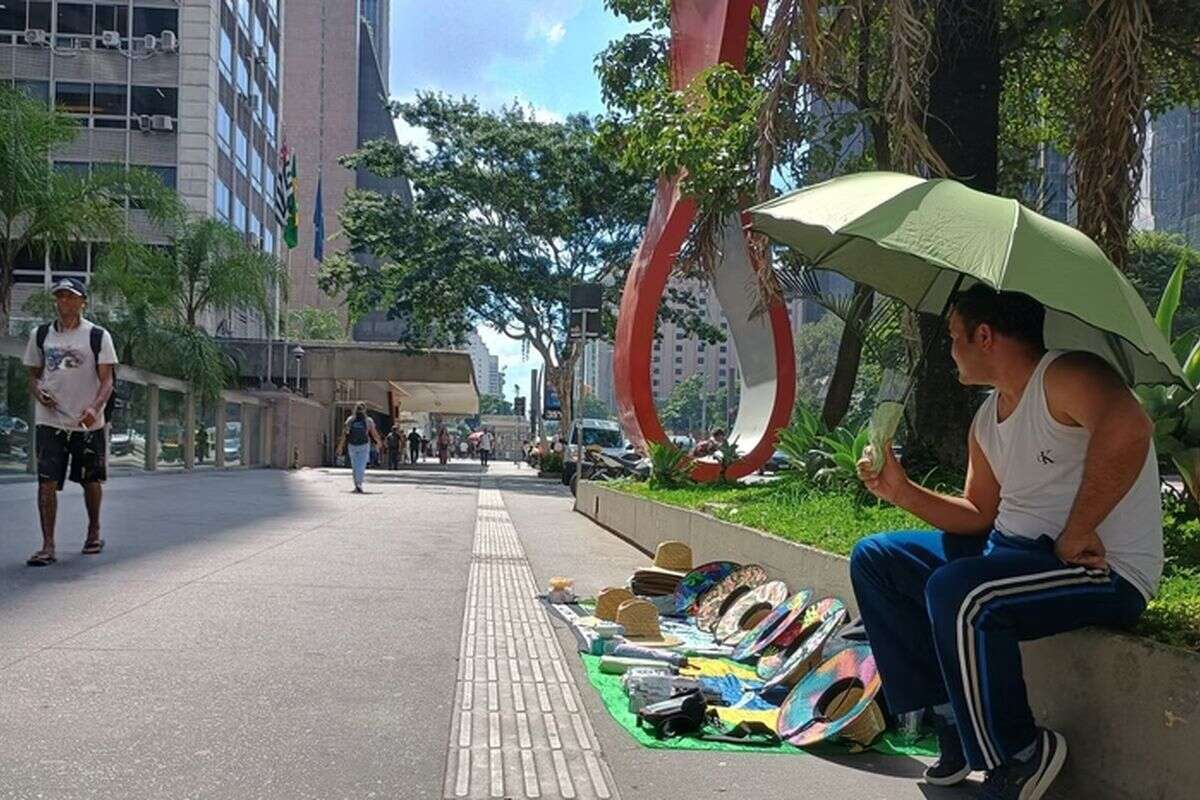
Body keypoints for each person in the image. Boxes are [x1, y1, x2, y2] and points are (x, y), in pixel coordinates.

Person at [849, 285, 1161, 800]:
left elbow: (1130, 428)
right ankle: (950, 720)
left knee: (961, 591)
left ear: (985, 336)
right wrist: (900, 491)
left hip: (1101, 568)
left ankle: (1019, 753)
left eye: (954, 337)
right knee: (878, 559)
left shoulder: (1066, 375)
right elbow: (977, 514)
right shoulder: (987, 418)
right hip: (1013, 555)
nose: (949, 351)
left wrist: (1079, 528)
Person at [22, 278, 118, 566]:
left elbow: (107, 380)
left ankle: (93, 531)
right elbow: (33, 376)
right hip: (50, 421)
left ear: (82, 302)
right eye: (60, 297)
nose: (64, 301)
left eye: (70, 297)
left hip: (88, 422)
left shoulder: (97, 336)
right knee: (46, 482)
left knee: (90, 479)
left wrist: (94, 408)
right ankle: (48, 545)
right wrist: (38, 392)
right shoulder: (41, 335)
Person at [337, 403, 384, 493]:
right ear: (365, 410)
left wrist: (340, 446)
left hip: (352, 445)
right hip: (364, 445)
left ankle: (357, 485)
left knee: (355, 466)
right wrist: (379, 442)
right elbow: (374, 433)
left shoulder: (350, 420)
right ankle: (359, 484)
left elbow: (344, 434)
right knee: (361, 465)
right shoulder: (368, 420)